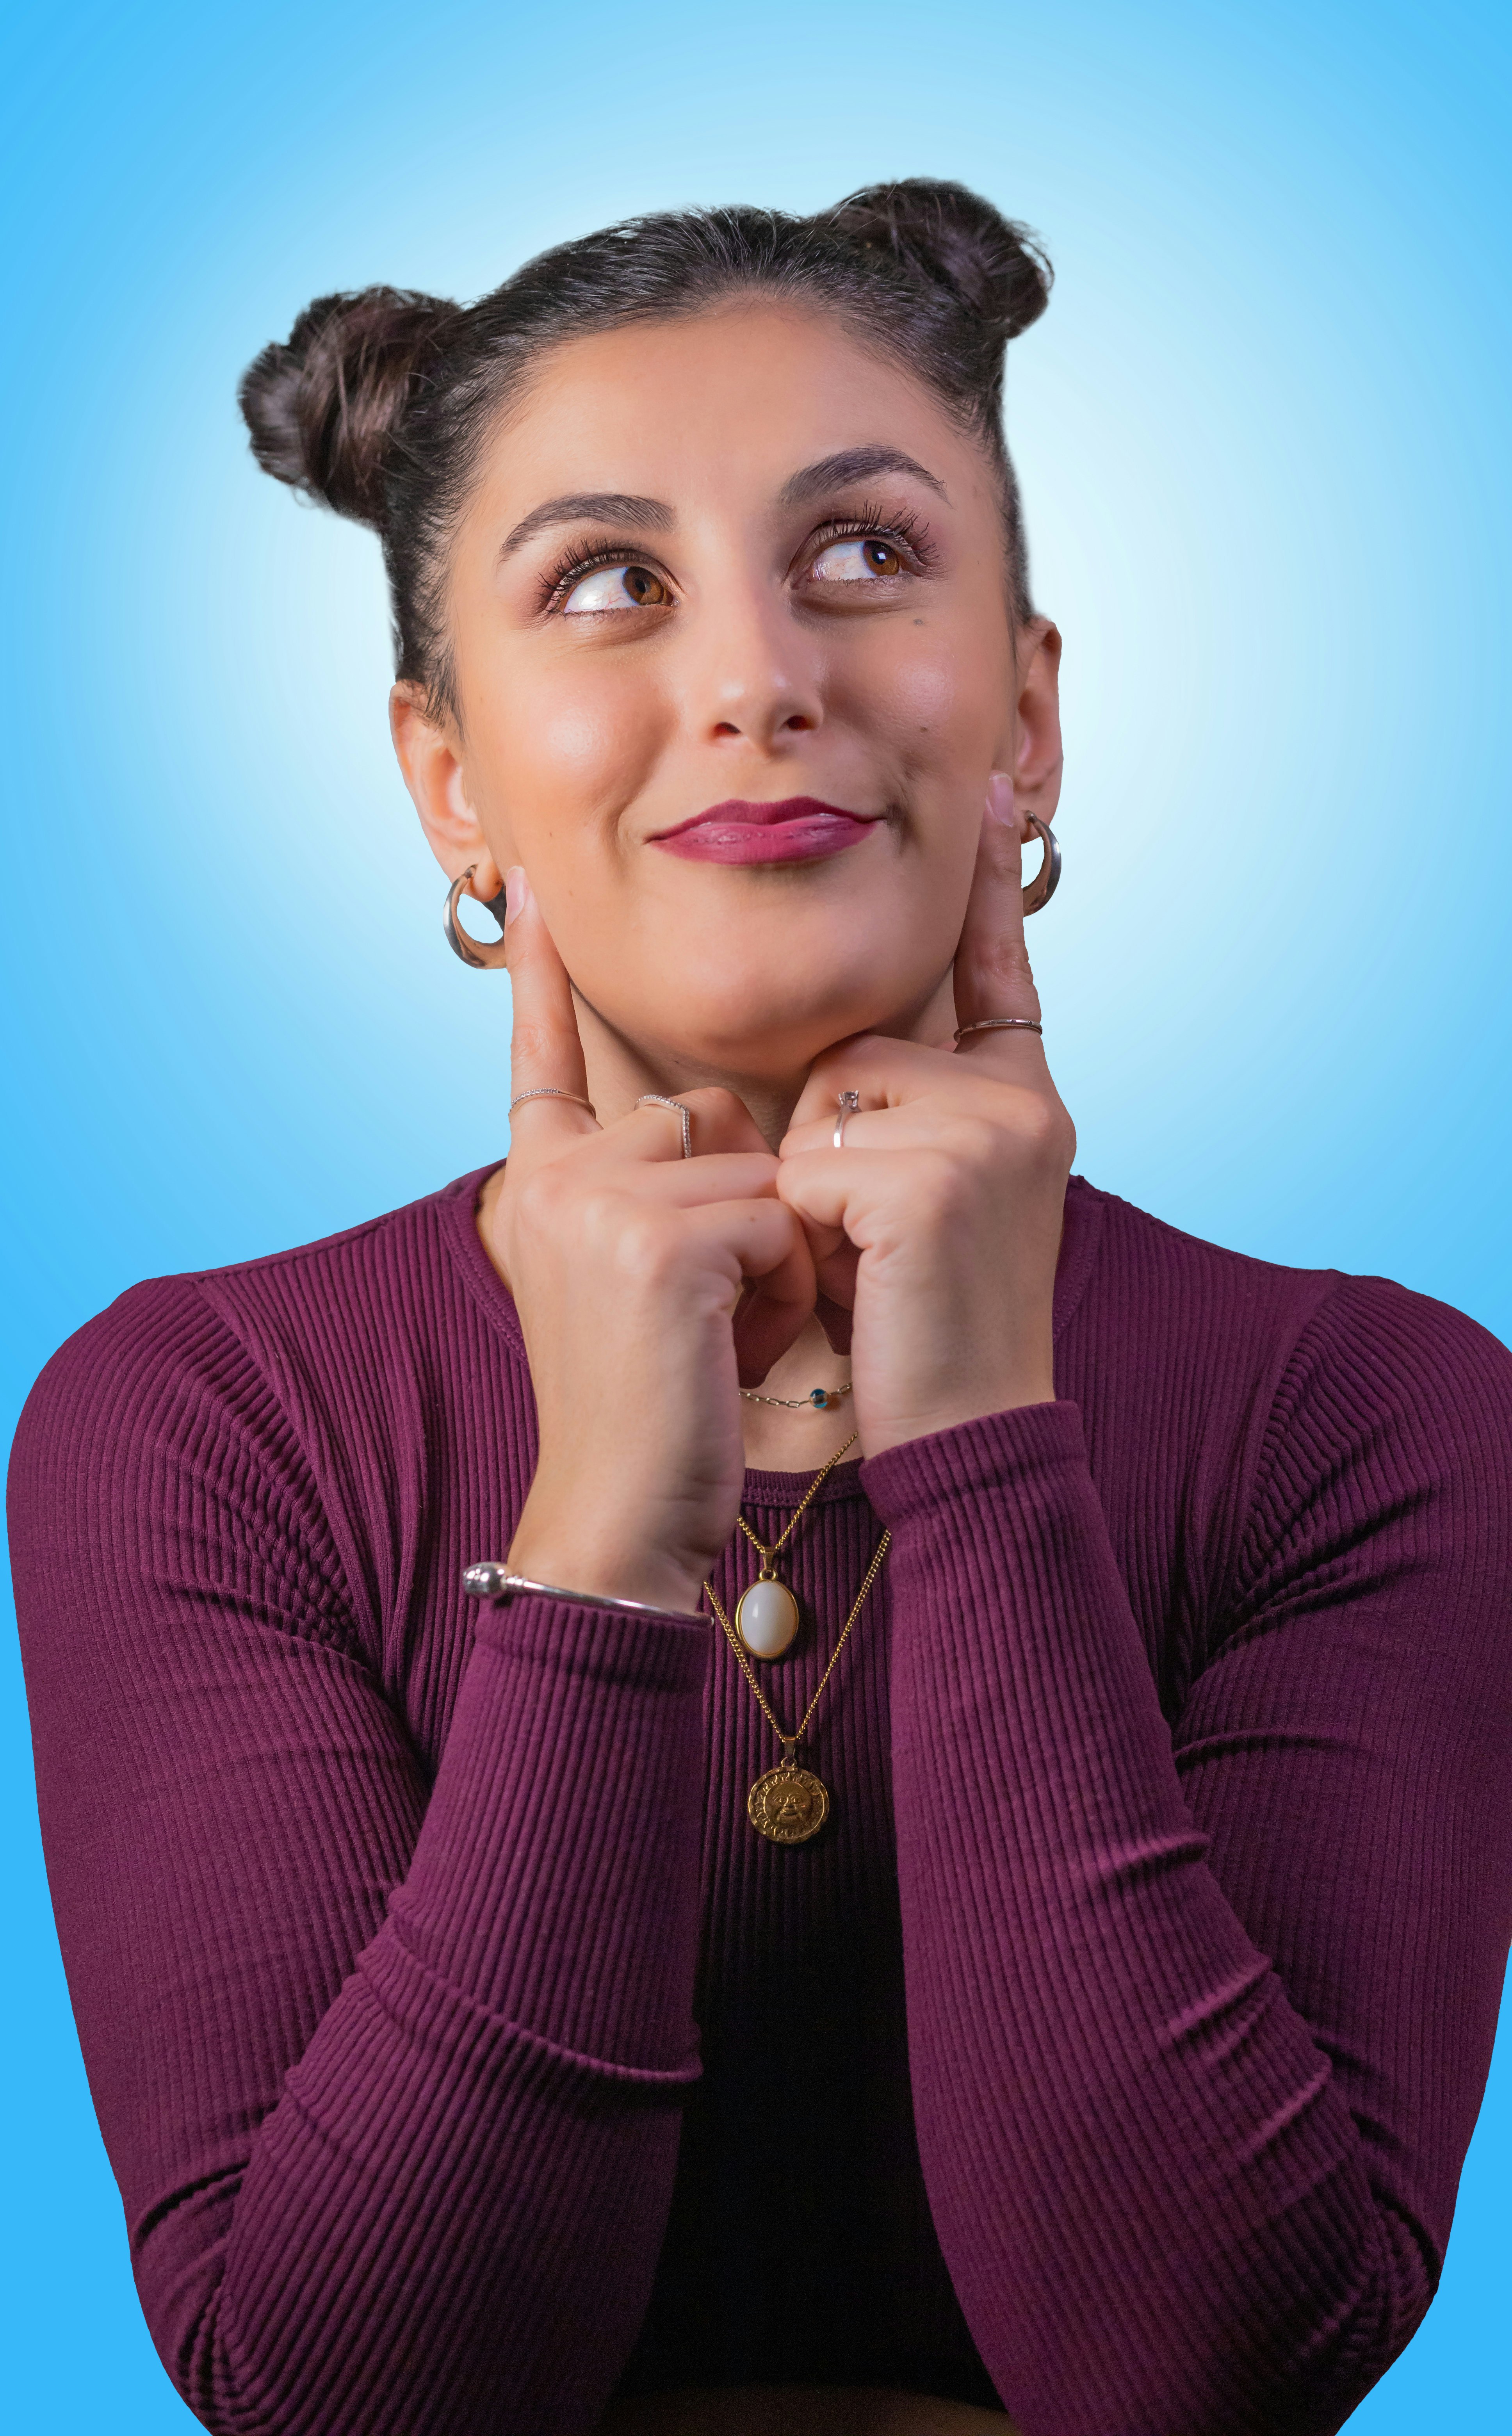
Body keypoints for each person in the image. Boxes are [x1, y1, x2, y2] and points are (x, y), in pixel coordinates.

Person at [9, 181, 1512, 2436]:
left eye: (863, 558)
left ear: (1024, 715)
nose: (753, 678)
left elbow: (1194, 2367)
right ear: (450, 782)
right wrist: (604, 1536)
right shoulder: (202, 1415)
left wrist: (988, 1443)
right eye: (609, 584)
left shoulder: (1368, 1411)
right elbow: (348, 2398)